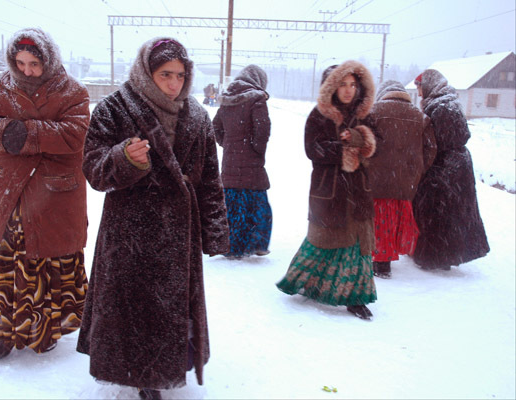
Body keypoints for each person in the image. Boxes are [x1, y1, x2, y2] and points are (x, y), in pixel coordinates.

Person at [76, 37, 230, 400]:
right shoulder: (114, 109)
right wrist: (123, 160)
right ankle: (142, 374)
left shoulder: (197, 116)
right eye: (165, 74)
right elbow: (94, 171)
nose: (174, 83)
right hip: (130, 230)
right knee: (135, 310)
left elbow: (210, 179)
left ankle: (161, 370)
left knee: (170, 309)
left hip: (179, 234)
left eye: (180, 74)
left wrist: (216, 231)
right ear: (148, 72)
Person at [0, 27, 90, 360]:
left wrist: (27, 134)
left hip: (53, 193)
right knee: (2, 260)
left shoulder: (74, 92)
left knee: (47, 260)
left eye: (34, 63)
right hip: (6, 189)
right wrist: (5, 131)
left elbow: (75, 135)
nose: (26, 71)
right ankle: (3, 333)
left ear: (48, 60)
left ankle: (46, 329)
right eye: (20, 63)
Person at [276, 60, 378, 320]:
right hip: (329, 189)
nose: (348, 90)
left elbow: (377, 147)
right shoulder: (318, 115)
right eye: (342, 84)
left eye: (353, 85)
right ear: (331, 87)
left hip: (358, 191)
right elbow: (313, 150)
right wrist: (344, 149)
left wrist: (357, 140)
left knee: (357, 246)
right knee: (324, 241)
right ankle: (306, 282)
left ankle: (356, 297)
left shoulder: (365, 115)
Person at [412, 70, 490, 270]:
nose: (418, 91)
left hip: (444, 166)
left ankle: (434, 257)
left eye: (419, 86)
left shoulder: (439, 107)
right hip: (458, 165)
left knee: (436, 211)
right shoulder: (449, 102)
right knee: (455, 213)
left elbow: (437, 140)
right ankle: (451, 255)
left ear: (428, 85)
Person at [367, 80, 437, 278]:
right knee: (394, 221)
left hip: (377, 178)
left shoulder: (373, 112)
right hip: (405, 181)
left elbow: (364, 143)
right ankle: (385, 260)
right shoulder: (420, 117)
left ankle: (379, 261)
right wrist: (419, 169)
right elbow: (431, 149)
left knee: (378, 220)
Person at [213, 64, 272, 259]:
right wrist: (256, 150)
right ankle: (256, 243)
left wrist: (228, 144)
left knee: (232, 203)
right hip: (252, 163)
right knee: (257, 203)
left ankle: (232, 245)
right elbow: (262, 129)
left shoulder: (227, 100)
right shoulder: (257, 98)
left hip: (230, 161)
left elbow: (215, 128)